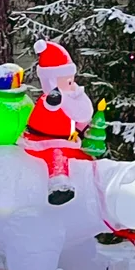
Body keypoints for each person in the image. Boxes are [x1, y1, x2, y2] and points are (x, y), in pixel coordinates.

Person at [20, 40, 94, 205]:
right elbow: (44, 114)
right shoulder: (51, 99)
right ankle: (58, 184)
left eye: (71, 79)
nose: (72, 84)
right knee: (57, 156)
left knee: (82, 158)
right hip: (46, 142)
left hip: (68, 139)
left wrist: (85, 127)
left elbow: (78, 117)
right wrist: (53, 103)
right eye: (67, 80)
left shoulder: (71, 97)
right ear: (52, 81)